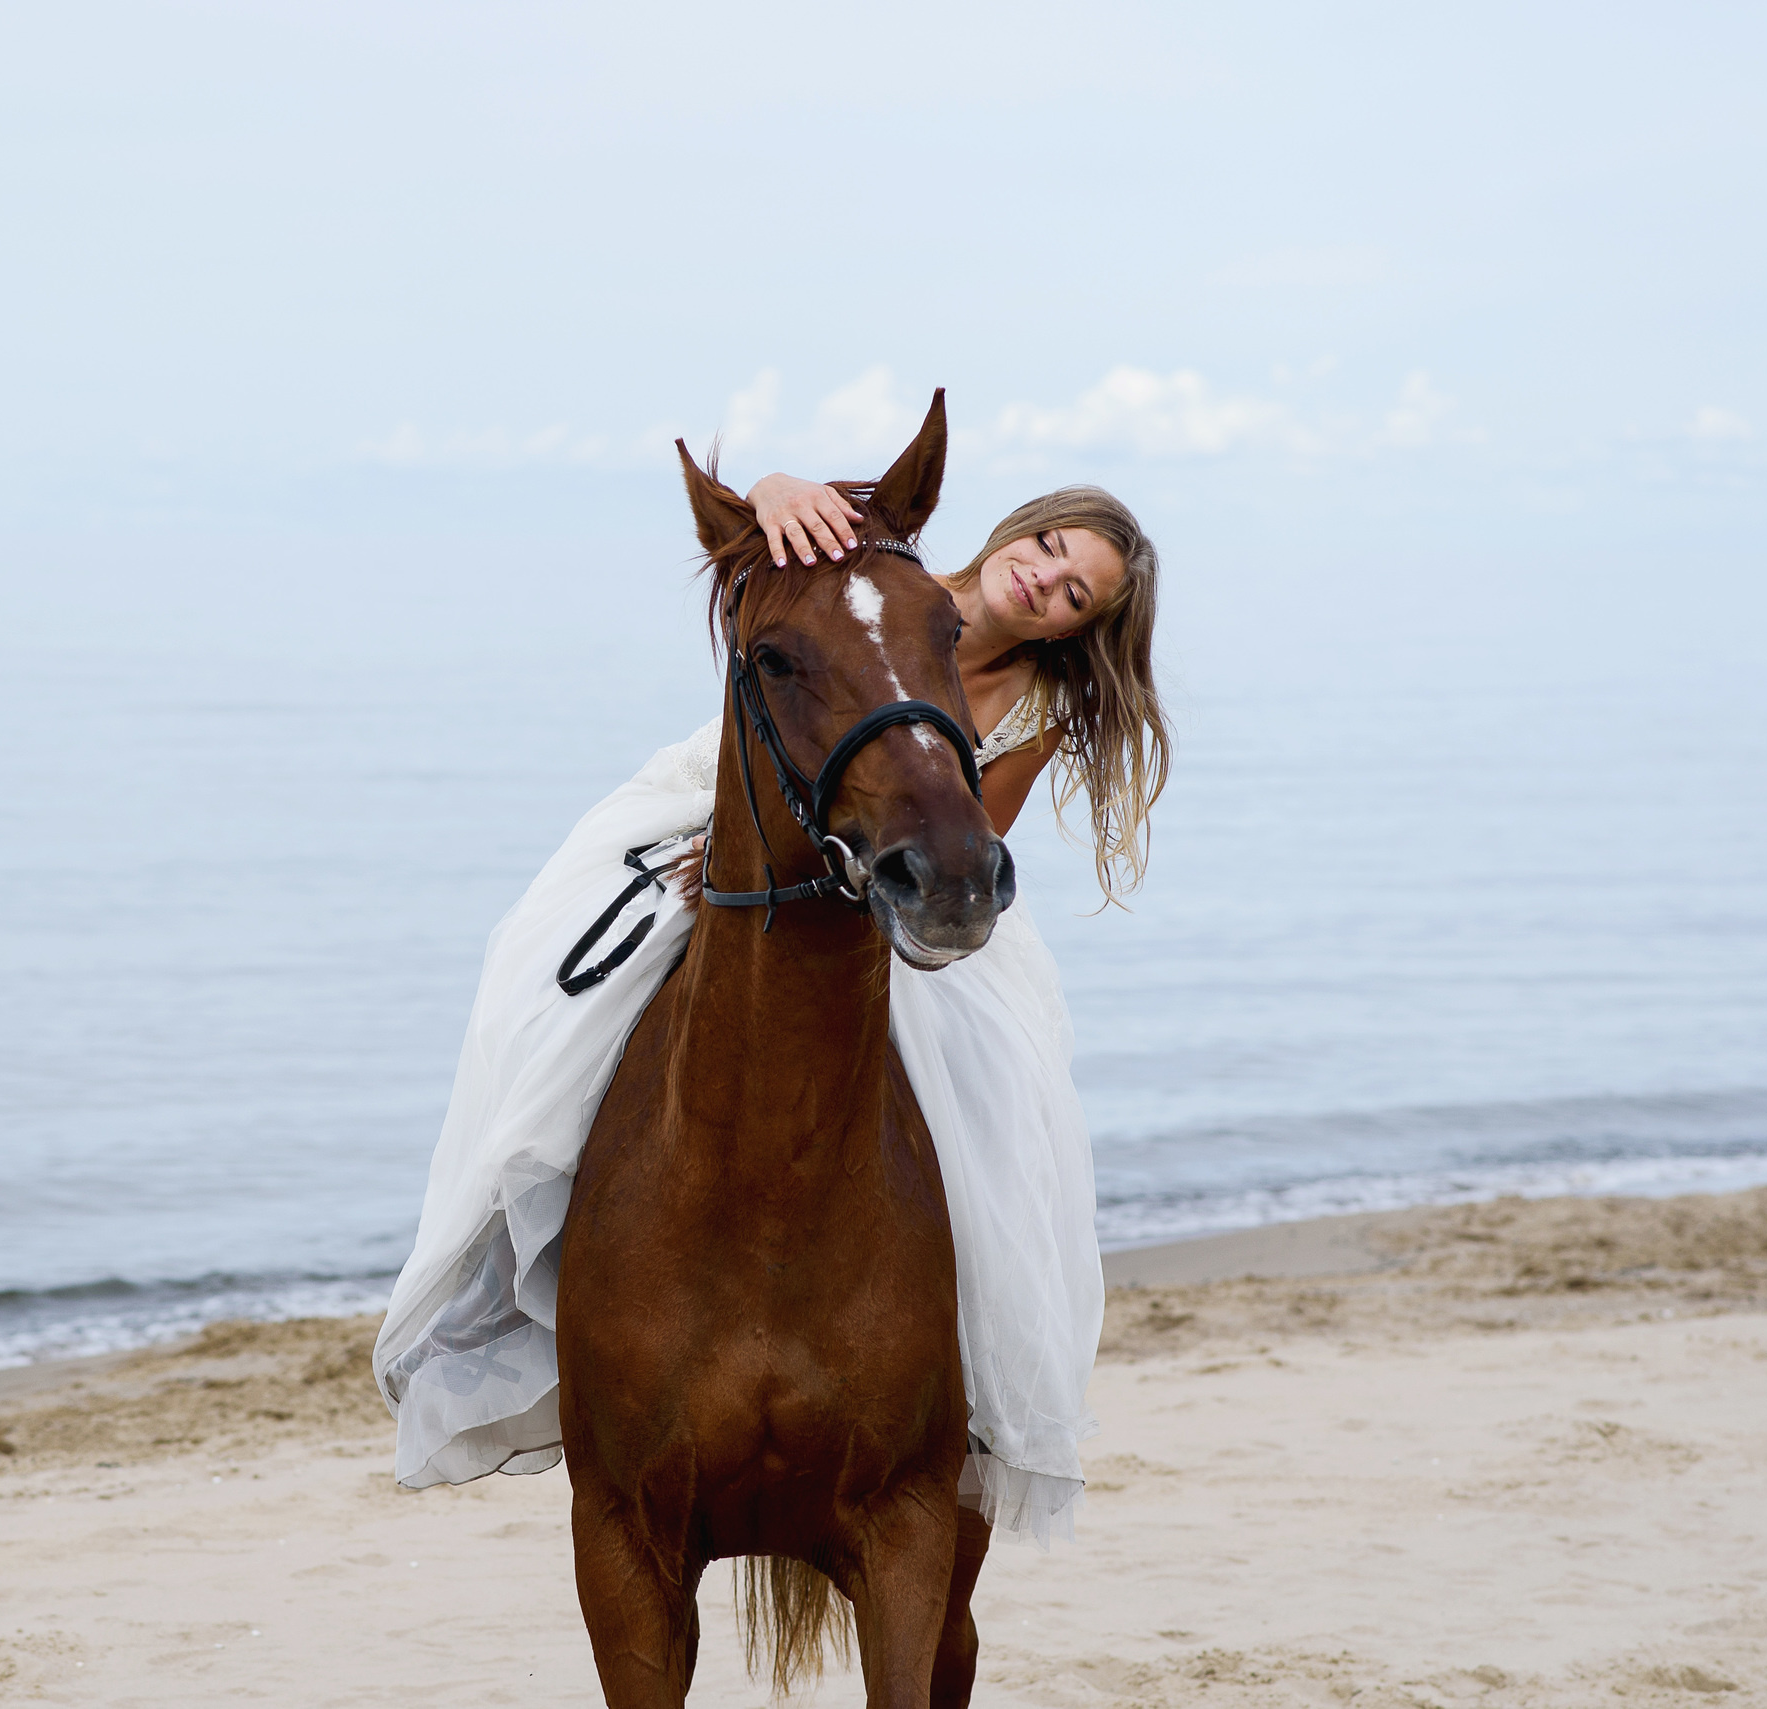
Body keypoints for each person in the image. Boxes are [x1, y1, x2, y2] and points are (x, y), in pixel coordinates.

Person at [371, 469, 1169, 1543]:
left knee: (996, 1112)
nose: (1047, 580)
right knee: (550, 983)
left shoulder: (1038, 705)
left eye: (1078, 593)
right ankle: (503, 1272)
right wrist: (778, 483)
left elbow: (965, 827)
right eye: (1054, 547)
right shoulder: (873, 575)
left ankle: (970, 1362)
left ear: (1084, 629)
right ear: (1022, 527)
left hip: (901, 860)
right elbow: (770, 533)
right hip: (726, 803)